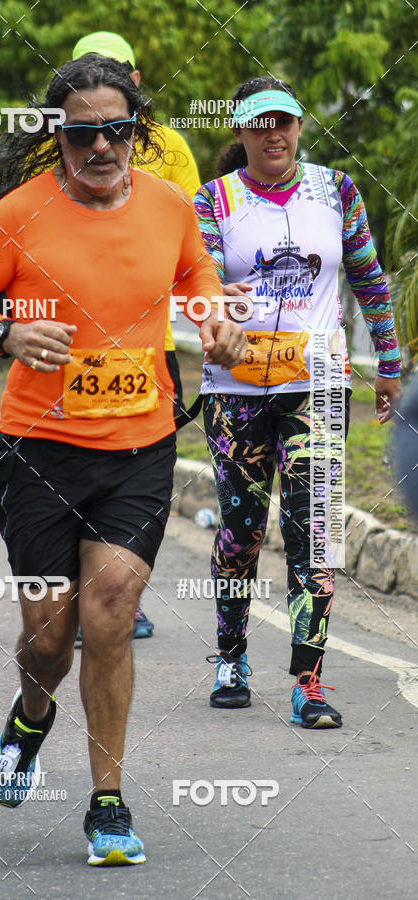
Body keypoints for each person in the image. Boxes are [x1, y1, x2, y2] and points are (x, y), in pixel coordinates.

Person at [0, 55, 246, 865]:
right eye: (83, 133)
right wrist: (5, 332)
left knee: (111, 610)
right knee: (49, 635)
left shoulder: (171, 207)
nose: (101, 147)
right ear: (58, 135)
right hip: (39, 450)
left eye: (117, 129)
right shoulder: (15, 214)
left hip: (138, 445)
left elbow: (196, 273)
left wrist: (213, 319)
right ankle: (31, 714)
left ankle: (107, 802)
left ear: (136, 131)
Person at [194, 76, 403, 727]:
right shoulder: (212, 201)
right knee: (241, 532)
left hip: (317, 384)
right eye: (259, 124)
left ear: (299, 127)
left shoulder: (335, 191)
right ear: (240, 132)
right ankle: (231, 656)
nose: (273, 134)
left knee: (315, 530)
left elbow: (369, 278)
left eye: (283, 121)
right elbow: (193, 285)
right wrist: (211, 310)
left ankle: (309, 682)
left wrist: (390, 364)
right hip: (235, 391)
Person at [71, 31, 202, 639]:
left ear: (137, 81)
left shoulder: (169, 147)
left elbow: (193, 243)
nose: (100, 142)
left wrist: (215, 313)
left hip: (152, 347)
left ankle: (122, 590)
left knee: (137, 468)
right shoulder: (65, 139)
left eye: (118, 73)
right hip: (69, 349)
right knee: (67, 468)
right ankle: (69, 588)